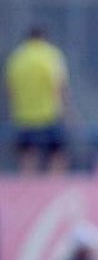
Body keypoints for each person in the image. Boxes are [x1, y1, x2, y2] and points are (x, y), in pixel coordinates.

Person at [4, 25, 70, 174]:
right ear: (44, 38)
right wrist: (67, 112)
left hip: (23, 115)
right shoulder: (51, 55)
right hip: (49, 114)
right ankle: (54, 188)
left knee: (26, 155)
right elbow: (59, 86)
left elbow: (9, 88)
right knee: (57, 154)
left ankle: (27, 189)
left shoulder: (16, 58)